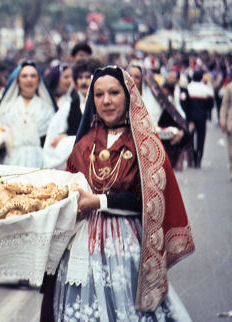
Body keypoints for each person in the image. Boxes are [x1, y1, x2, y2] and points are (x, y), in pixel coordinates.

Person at [40, 66, 195, 321]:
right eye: (99, 95)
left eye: (113, 93)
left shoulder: (146, 144)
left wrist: (99, 201)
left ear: (128, 95)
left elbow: (150, 200)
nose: (106, 101)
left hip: (126, 245)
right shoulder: (84, 143)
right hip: (83, 245)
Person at [0, 60, 56, 168]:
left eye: (33, 76)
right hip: (10, 159)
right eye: (24, 76)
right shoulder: (8, 107)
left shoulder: (46, 108)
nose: (29, 80)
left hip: (38, 160)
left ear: (38, 80)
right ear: (18, 80)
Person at [127, 64, 189, 170]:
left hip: (148, 155)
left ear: (142, 80)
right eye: (129, 75)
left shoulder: (155, 102)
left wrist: (181, 133)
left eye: (136, 77)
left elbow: (176, 121)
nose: (132, 79)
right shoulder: (117, 98)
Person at [187, 70, 214, 168]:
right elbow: (211, 104)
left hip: (191, 118)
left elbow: (185, 104)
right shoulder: (206, 89)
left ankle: (193, 157)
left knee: (191, 138)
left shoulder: (189, 88)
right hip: (202, 117)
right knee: (201, 138)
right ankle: (199, 158)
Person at [220, 81, 232, 180]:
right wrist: (223, 120)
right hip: (231, 123)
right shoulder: (229, 87)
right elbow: (224, 105)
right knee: (231, 150)